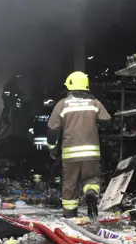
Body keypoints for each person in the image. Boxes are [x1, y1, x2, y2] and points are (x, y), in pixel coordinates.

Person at [46, 71, 111, 219]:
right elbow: (107, 121)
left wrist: (52, 149)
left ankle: (70, 216)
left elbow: (52, 129)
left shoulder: (62, 105)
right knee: (92, 179)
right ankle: (91, 193)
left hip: (70, 155)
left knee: (70, 184)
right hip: (91, 153)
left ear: (70, 86)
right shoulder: (95, 103)